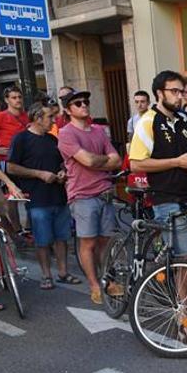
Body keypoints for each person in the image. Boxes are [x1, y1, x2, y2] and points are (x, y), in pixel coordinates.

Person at [130, 71, 187, 264]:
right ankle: (182, 295)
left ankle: (178, 290)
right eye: (174, 91)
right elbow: (136, 164)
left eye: (181, 91)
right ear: (160, 93)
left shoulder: (184, 120)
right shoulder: (148, 121)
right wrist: (176, 161)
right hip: (167, 197)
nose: (180, 96)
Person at [57, 90, 122, 303]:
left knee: (106, 241)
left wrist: (98, 160)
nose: (84, 105)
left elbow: (117, 160)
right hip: (82, 196)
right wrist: (103, 161)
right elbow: (89, 161)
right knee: (88, 243)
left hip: (104, 193)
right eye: (78, 103)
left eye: (86, 101)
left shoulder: (98, 131)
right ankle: (94, 285)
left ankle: (107, 280)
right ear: (68, 110)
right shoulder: (66, 134)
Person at [7, 103, 80, 289]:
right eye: (49, 117)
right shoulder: (21, 139)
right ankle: (46, 275)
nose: (53, 120)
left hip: (58, 195)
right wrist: (39, 174)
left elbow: (61, 163)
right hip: (37, 197)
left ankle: (63, 273)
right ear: (37, 118)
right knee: (42, 239)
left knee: (62, 237)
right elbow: (11, 167)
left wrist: (62, 172)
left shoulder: (52, 139)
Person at [0, 87, 28, 169]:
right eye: (14, 98)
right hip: (8, 160)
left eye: (20, 97)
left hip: (26, 159)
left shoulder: (27, 116)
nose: (18, 100)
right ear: (6, 100)